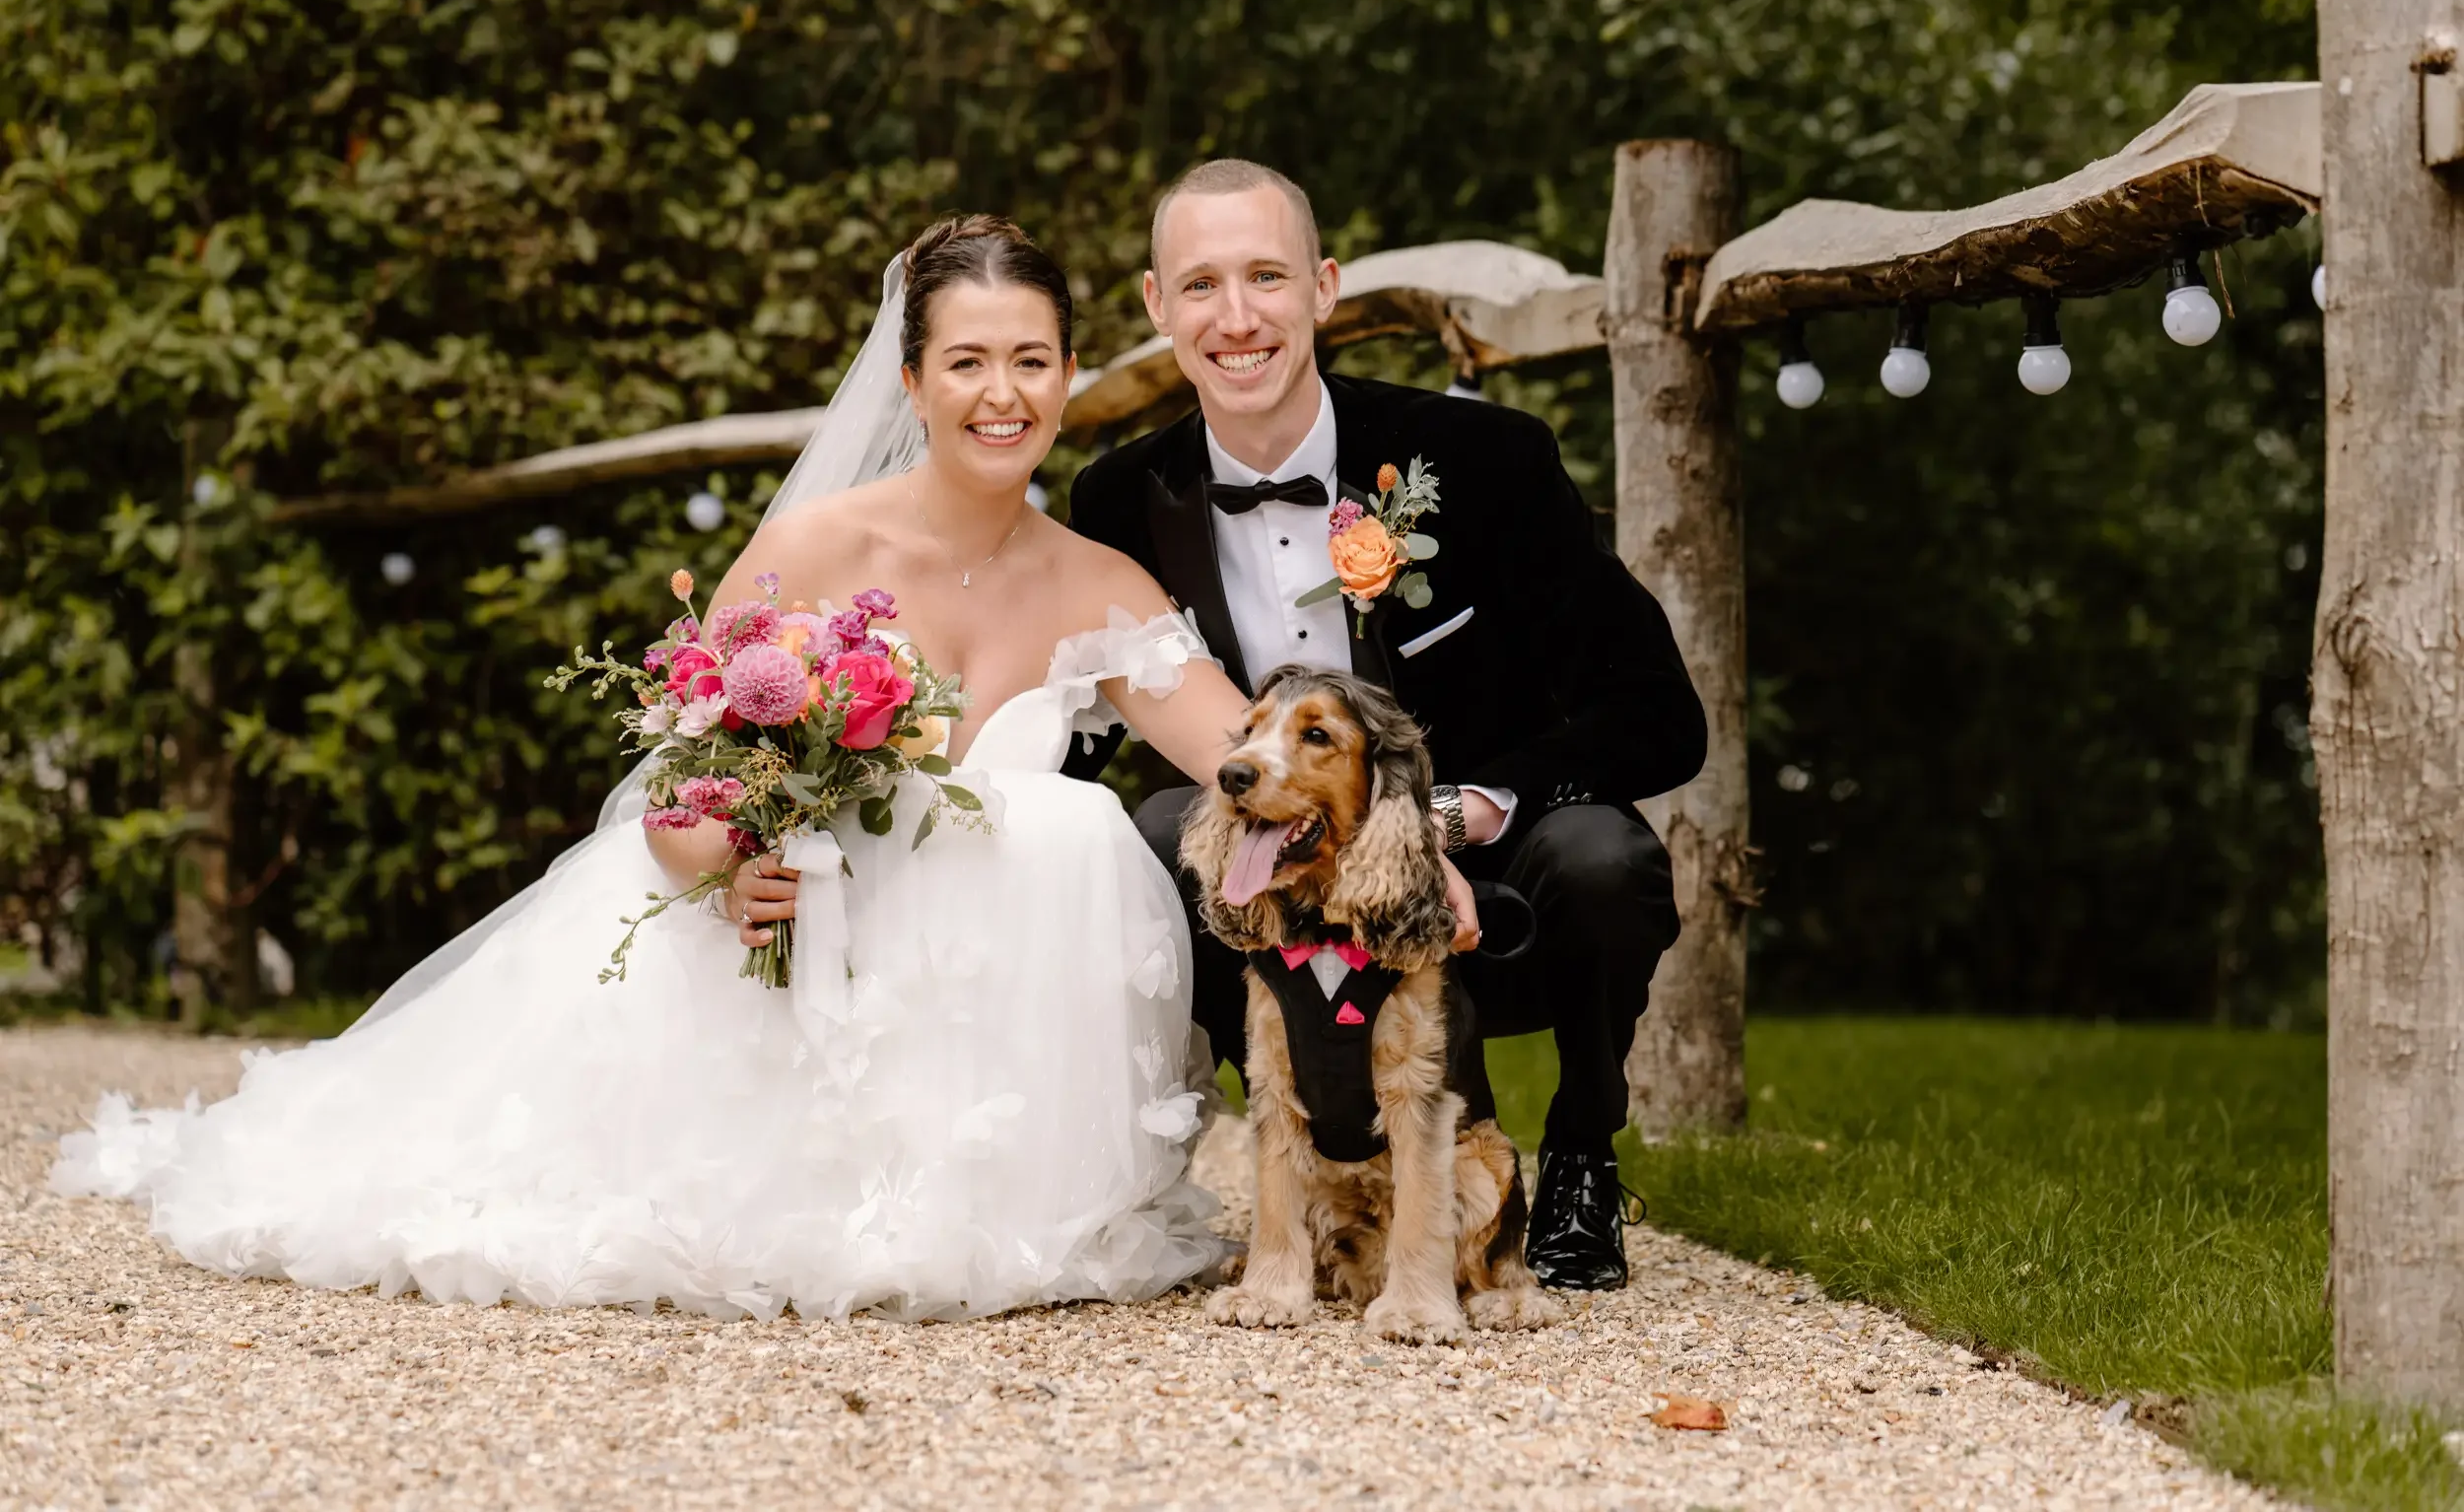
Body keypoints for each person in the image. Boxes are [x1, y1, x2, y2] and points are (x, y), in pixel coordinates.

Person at [52, 217, 1259, 1324]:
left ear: (1069, 373)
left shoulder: (1100, 587)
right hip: (773, 977)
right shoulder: (815, 548)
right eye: (968, 362)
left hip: (980, 1040)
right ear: (912, 381)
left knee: (1076, 826)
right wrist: (729, 869)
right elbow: (678, 790)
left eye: (1032, 360)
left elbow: (1248, 756)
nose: (1003, 394)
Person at [1067, 161, 1706, 1290]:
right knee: (1160, 831)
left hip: (1483, 886)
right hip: (1275, 872)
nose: (1236, 317)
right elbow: (1082, 722)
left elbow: (1657, 712)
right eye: (1201, 284)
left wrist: (1456, 815)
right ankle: (1305, 1157)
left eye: (1266, 277)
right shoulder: (1119, 496)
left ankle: (1580, 1153)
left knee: (1602, 855)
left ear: (1324, 287)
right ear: (1158, 305)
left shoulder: (1487, 460)